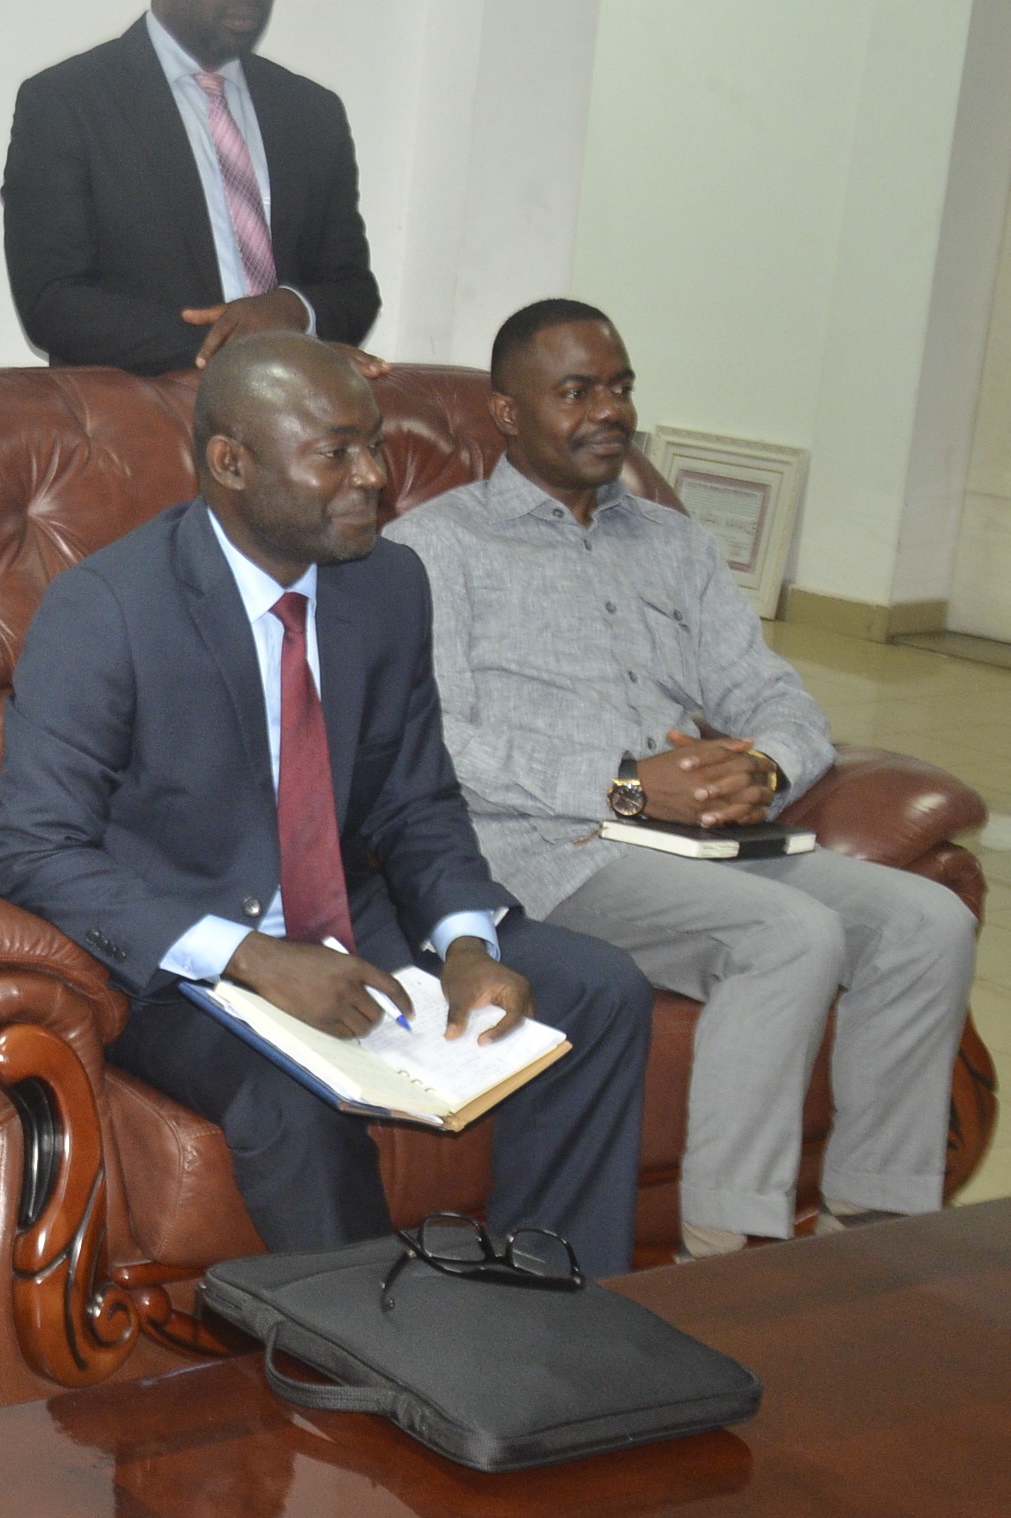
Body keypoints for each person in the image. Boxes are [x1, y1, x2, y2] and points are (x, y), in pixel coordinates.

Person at [0, 332, 650, 1275]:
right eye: (335, 453)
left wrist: (466, 943)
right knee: (289, 1098)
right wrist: (252, 958)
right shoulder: (109, 607)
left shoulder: (385, 585)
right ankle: (378, 1340)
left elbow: (415, 797)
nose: (373, 476)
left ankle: (549, 1298)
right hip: (187, 963)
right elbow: (33, 850)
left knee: (597, 988)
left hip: (349, 917)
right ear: (231, 463)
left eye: (373, 445)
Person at [386, 299, 977, 1259]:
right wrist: (627, 787)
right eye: (575, 392)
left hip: (704, 836)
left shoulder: (674, 542)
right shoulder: (435, 549)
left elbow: (775, 697)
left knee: (927, 920)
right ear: (505, 414)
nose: (607, 412)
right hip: (553, 850)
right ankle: (727, 1244)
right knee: (788, 934)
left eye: (619, 388)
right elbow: (441, 743)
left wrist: (760, 767)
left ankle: (873, 1228)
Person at [2, 0, 381, 376]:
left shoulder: (311, 111)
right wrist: (243, 345)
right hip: (145, 404)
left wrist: (294, 309)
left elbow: (353, 289)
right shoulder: (67, 100)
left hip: (294, 406)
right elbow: (51, 302)